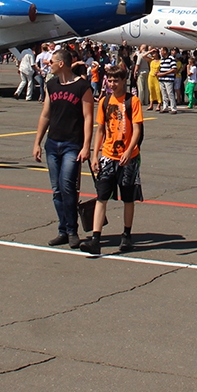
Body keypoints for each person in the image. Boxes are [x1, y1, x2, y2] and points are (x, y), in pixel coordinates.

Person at [33, 47, 93, 249]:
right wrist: (37, 142)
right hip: (53, 142)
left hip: (72, 144)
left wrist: (86, 146)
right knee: (57, 189)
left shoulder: (82, 87)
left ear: (61, 64)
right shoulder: (51, 85)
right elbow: (45, 115)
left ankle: (72, 230)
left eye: (52, 62)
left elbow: (88, 118)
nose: (49, 64)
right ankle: (63, 229)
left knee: (68, 186)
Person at [80, 66, 144, 256]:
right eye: (110, 80)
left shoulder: (133, 101)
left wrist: (130, 150)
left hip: (128, 157)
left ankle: (126, 235)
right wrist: (95, 154)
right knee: (101, 197)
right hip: (108, 156)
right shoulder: (104, 101)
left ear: (124, 81)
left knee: (128, 198)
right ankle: (96, 238)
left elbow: (137, 129)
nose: (112, 84)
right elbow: (100, 129)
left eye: (116, 80)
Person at [157, 46, 178, 114]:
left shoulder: (171, 58)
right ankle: (165, 107)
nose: (160, 53)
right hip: (162, 79)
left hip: (168, 79)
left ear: (165, 52)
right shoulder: (162, 59)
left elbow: (174, 69)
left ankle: (173, 108)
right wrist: (158, 73)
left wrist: (163, 74)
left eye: (161, 51)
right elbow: (161, 68)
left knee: (170, 94)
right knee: (164, 94)